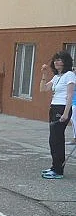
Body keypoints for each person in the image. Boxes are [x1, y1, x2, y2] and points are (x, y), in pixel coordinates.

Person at [39, 51, 75, 179]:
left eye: (59, 60)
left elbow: (70, 95)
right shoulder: (57, 77)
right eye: (55, 60)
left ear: (65, 62)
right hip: (54, 107)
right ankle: (55, 166)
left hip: (62, 107)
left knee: (57, 138)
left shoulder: (69, 75)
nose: (56, 62)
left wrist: (66, 113)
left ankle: (58, 170)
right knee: (53, 139)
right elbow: (43, 89)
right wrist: (44, 74)